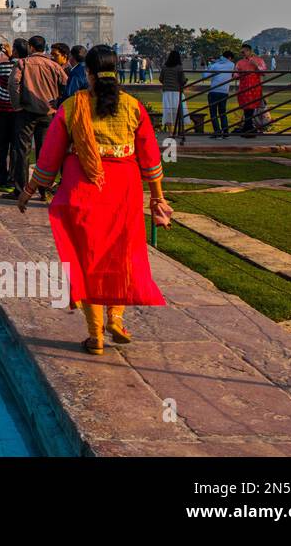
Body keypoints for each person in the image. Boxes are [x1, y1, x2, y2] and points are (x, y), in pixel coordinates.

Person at [16, 45, 171, 356]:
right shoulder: (132, 107)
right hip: (123, 190)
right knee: (119, 255)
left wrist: (31, 188)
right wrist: (157, 198)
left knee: (87, 260)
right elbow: (150, 157)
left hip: (82, 190)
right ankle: (116, 319)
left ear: (87, 73)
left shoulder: (73, 106)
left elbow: (50, 155)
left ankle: (95, 335)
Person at [9, 35, 68, 194]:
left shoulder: (23, 63)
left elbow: (13, 84)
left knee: (23, 151)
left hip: (27, 112)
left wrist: (17, 105)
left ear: (31, 47)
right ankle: (43, 189)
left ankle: (21, 189)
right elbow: (65, 84)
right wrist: (55, 103)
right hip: (48, 114)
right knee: (44, 153)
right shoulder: (54, 65)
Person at [0, 43, 21, 191]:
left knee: (1, 148)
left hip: (2, 111)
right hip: (18, 112)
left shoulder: (2, 67)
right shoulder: (26, 67)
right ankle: (12, 181)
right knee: (16, 148)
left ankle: (1, 181)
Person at [233, 44, 266, 136]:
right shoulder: (240, 62)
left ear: (249, 51)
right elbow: (235, 74)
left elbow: (264, 72)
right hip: (244, 87)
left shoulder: (259, 60)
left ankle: (248, 128)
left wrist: (256, 65)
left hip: (254, 88)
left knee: (250, 108)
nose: (242, 54)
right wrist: (236, 75)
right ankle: (248, 128)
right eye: (241, 52)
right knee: (246, 108)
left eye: (244, 52)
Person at [203, 50, 235, 139]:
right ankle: (225, 132)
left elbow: (205, 76)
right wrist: (215, 61)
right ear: (229, 58)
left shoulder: (215, 65)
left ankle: (217, 132)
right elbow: (225, 62)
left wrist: (208, 65)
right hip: (224, 91)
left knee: (213, 113)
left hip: (214, 90)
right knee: (222, 112)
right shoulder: (231, 65)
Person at [158, 50, 187, 132]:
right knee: (178, 111)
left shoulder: (164, 67)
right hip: (177, 92)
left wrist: (167, 83)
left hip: (167, 92)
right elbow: (182, 80)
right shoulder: (179, 67)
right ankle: (178, 130)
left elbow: (161, 79)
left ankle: (170, 131)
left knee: (168, 111)